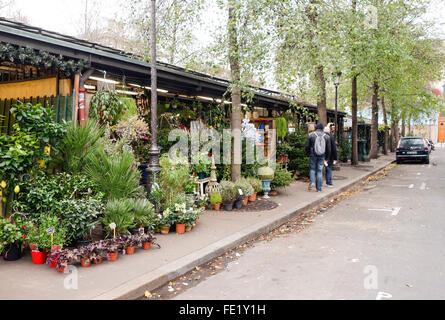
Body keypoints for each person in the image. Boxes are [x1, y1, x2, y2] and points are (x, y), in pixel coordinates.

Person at [305, 123, 331, 192]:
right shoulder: (326, 136)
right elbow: (328, 148)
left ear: (316, 127)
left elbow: (307, 146)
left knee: (312, 169)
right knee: (320, 171)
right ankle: (319, 188)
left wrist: (308, 154)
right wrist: (327, 158)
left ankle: (312, 182)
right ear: (322, 128)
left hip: (313, 154)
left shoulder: (311, 135)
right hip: (322, 155)